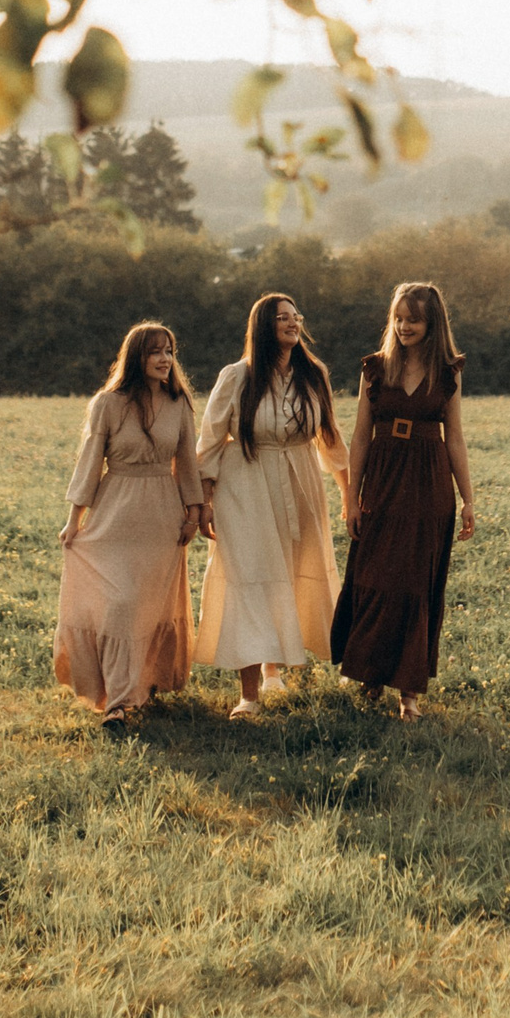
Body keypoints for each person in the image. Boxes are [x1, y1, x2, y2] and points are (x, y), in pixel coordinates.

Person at [194, 293, 348, 718]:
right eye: (282, 318)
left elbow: (331, 438)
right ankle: (249, 695)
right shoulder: (236, 376)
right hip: (245, 485)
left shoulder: (313, 374)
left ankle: (273, 668)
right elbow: (209, 442)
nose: (292, 323)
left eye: (296, 317)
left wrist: (348, 494)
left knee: (291, 572)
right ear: (264, 325)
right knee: (250, 578)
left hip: (300, 484)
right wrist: (204, 502)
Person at [331, 279, 476, 723]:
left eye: (413, 319)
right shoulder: (374, 369)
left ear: (432, 323)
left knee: (415, 585)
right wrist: (352, 498)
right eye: (398, 318)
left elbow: (455, 438)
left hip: (429, 486)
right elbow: (360, 437)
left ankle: (408, 693)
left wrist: (468, 500)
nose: (404, 326)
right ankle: (370, 671)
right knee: (375, 576)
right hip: (383, 481)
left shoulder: (449, 372)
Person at [54, 319, 205, 732]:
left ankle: (144, 683)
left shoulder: (179, 403)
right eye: (155, 351)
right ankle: (116, 703)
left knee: (149, 605)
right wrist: (74, 521)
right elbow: (90, 462)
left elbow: (187, 463)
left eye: (169, 351)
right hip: (114, 514)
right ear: (137, 356)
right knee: (119, 605)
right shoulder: (107, 403)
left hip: (162, 517)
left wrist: (194, 513)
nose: (165, 359)